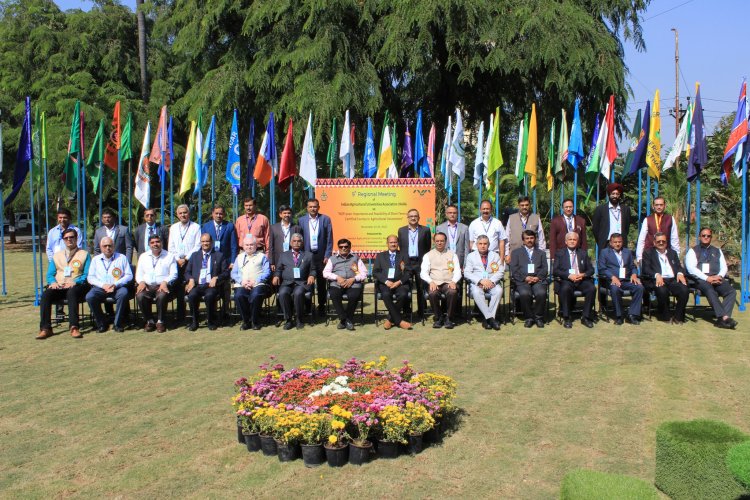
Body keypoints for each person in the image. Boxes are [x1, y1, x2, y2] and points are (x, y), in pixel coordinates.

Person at [37, 228, 91, 339]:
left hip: (77, 286)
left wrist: (75, 282)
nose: (69, 239)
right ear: (63, 240)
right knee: (46, 295)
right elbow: (50, 274)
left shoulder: (84, 254)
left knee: (71, 293)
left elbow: (87, 274)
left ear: (76, 238)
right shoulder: (57, 256)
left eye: (71, 237)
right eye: (66, 238)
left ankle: (74, 327)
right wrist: (52, 282)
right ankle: (45, 328)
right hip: (60, 285)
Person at [685, 227, 737, 329]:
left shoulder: (717, 251)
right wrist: (707, 278)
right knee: (709, 289)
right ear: (699, 237)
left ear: (711, 237)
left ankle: (722, 319)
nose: (706, 237)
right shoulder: (693, 251)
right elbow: (691, 269)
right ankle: (724, 317)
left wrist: (720, 276)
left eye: (708, 236)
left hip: (716, 278)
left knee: (731, 291)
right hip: (699, 279)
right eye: (703, 235)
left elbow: (724, 267)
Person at [86, 236, 133, 332]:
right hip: (100, 288)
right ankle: (102, 323)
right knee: (90, 296)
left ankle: (117, 323)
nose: (108, 248)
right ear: (101, 246)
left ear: (114, 246)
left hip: (117, 287)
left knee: (123, 293)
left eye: (110, 245)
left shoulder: (122, 258)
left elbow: (129, 275)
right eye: (105, 246)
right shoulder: (95, 259)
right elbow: (90, 277)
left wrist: (115, 284)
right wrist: (103, 285)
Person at [641, 232, 689, 324]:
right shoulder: (648, 253)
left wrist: (679, 273)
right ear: (654, 242)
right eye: (659, 241)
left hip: (672, 280)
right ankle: (665, 316)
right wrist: (656, 275)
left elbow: (679, 266)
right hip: (657, 279)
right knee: (662, 290)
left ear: (666, 242)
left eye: (663, 241)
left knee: (684, 290)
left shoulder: (672, 253)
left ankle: (678, 317)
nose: (661, 243)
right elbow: (645, 269)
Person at [184, 233, 230, 331]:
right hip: (197, 284)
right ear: (200, 243)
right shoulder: (194, 255)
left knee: (209, 296)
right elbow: (187, 272)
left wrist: (216, 277)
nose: (205, 243)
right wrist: (191, 279)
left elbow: (226, 273)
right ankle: (195, 321)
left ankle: (210, 320)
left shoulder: (219, 255)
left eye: (207, 241)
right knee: (192, 295)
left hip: (211, 285)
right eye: (203, 241)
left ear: (211, 242)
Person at [273, 233, 317, 330]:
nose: (296, 243)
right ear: (290, 243)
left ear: (302, 243)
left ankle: (299, 319)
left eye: (299, 241)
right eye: (294, 241)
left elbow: (313, 269)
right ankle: (288, 320)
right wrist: (276, 276)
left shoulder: (309, 255)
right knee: (283, 293)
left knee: (298, 293)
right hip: (287, 282)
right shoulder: (284, 255)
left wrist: (311, 275)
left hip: (301, 283)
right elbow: (279, 269)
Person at [598, 233, 643, 325]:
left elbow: (633, 266)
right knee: (615, 289)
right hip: (611, 281)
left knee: (639, 287)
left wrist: (634, 274)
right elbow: (602, 269)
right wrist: (612, 277)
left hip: (626, 280)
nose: (617, 244)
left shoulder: (628, 252)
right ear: (610, 243)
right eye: (615, 242)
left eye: (619, 242)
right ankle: (619, 316)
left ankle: (632, 315)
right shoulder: (604, 252)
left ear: (622, 242)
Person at [135, 234, 178, 333]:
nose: (155, 244)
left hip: (162, 285)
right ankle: (149, 321)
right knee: (140, 296)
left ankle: (160, 321)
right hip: (147, 285)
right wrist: (141, 282)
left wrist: (165, 282)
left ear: (162, 243)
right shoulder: (143, 256)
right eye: (152, 242)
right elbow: (139, 273)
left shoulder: (169, 256)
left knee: (162, 295)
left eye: (157, 242)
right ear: (149, 244)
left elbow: (174, 273)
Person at [552, 232, 595, 328]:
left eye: (574, 239)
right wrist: (568, 275)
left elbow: (591, 270)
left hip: (581, 280)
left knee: (591, 289)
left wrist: (583, 274)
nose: (572, 241)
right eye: (570, 239)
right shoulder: (560, 253)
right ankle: (567, 317)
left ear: (577, 241)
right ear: (566, 241)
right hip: (567, 280)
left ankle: (586, 316)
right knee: (565, 289)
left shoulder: (583, 253)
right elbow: (555, 270)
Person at [323, 238, 367, 331]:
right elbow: (325, 273)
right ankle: (345, 319)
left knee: (354, 295)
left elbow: (364, 273)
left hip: (353, 283)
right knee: (334, 294)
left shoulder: (356, 258)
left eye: (346, 246)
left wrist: (353, 279)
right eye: (341, 247)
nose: (343, 248)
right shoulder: (332, 259)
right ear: (338, 248)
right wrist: (337, 277)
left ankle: (345, 320)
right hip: (337, 283)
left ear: (350, 247)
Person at [298, 198, 334, 313]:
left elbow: (329, 238)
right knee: (307, 280)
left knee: (321, 282)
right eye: (310, 207)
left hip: (321, 255)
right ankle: (308, 306)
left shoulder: (325, 219)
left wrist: (327, 255)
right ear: (307, 208)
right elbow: (299, 239)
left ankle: (322, 306)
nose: (313, 209)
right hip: (307, 255)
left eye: (315, 206)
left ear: (318, 207)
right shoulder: (301, 220)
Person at [420, 232, 461, 329]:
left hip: (448, 282)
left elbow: (458, 271)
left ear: (446, 242)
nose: (439, 243)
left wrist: (454, 281)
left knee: (452, 292)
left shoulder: (452, 255)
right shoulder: (428, 255)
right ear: (434, 242)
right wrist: (431, 282)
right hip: (435, 282)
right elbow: (423, 273)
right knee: (432, 293)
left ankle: (449, 318)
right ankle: (439, 318)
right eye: (437, 241)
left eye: (442, 241)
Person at [398, 208, 434, 320]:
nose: (413, 218)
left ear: (419, 217)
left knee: (421, 287)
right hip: (407, 263)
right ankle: (407, 312)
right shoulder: (401, 230)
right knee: (406, 287)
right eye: (411, 216)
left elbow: (428, 246)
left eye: (415, 216)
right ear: (407, 218)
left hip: (420, 262)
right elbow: (401, 246)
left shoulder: (426, 230)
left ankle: (422, 311)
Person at [372, 235, 412, 330]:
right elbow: (375, 272)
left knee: (403, 294)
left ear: (398, 243)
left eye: (395, 242)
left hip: (400, 283)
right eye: (391, 242)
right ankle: (399, 321)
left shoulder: (404, 255)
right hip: (385, 283)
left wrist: (399, 282)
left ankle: (390, 319)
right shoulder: (380, 256)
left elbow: (409, 272)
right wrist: (386, 281)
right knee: (386, 294)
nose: (393, 244)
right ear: (387, 244)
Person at [463, 235, 504, 330]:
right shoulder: (471, 256)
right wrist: (480, 281)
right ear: (476, 245)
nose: (483, 246)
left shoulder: (495, 255)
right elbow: (467, 272)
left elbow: (501, 271)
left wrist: (491, 281)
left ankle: (488, 319)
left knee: (499, 290)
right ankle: (491, 318)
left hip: (492, 282)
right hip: (477, 283)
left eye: (485, 244)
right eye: (480, 244)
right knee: (477, 292)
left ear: (489, 244)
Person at [231, 234, 271, 330]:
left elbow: (267, 272)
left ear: (256, 246)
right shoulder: (239, 257)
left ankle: (255, 321)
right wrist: (242, 282)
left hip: (258, 283)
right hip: (242, 284)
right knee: (238, 296)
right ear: (243, 246)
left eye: (251, 245)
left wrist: (256, 281)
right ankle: (246, 321)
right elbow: (233, 273)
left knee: (256, 295)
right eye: (247, 245)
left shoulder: (262, 256)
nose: (249, 247)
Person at [168, 204, 201, 319]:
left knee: (192, 286)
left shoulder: (196, 227)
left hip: (191, 261)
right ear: (177, 215)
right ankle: (180, 314)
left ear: (189, 214)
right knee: (179, 288)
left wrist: (186, 258)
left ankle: (193, 313)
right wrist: (178, 259)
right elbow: (171, 247)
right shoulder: (173, 228)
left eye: (185, 212)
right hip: (177, 262)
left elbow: (198, 245)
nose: (183, 215)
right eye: (180, 213)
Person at [510, 230, 548, 328]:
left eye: (531, 238)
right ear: (523, 240)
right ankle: (529, 318)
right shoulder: (515, 253)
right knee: (525, 294)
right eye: (527, 238)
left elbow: (545, 269)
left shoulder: (541, 253)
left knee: (541, 293)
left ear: (535, 239)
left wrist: (537, 277)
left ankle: (538, 318)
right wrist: (525, 278)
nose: (529, 240)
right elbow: (514, 269)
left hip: (537, 280)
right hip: (523, 281)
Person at [636, 196, 681, 262]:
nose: (659, 207)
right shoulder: (647, 219)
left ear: (665, 206)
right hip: (650, 254)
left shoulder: (670, 219)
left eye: (661, 205)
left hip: (665, 254)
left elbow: (674, 239)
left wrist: (676, 255)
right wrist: (639, 257)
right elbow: (641, 239)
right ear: (653, 206)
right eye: (656, 205)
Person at [592, 183, 633, 250]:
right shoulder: (600, 209)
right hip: (606, 244)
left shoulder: (626, 209)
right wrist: (600, 240)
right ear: (609, 195)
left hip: (621, 243)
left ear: (619, 195)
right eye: (613, 194)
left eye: (617, 194)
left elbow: (626, 228)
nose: (615, 196)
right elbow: (595, 228)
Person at [504, 195, 546, 261]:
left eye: (526, 205)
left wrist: (541, 254)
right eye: (522, 205)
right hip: (514, 255)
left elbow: (541, 238)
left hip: (532, 256)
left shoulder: (536, 218)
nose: (524, 207)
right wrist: (506, 254)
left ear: (529, 205)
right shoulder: (511, 218)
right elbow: (507, 237)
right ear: (518, 206)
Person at [269, 204, 301, 271]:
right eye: (284, 213)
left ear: (291, 214)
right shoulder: (273, 228)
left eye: (289, 213)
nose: (287, 215)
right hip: (278, 258)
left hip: (292, 258)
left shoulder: (296, 228)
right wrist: (272, 262)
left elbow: (300, 245)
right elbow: (271, 246)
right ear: (280, 215)